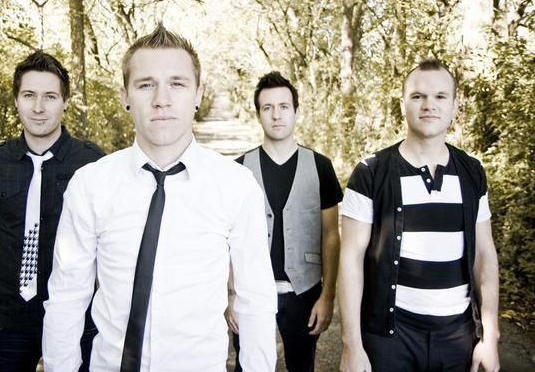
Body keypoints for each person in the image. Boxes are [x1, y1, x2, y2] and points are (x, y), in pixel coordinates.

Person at [42, 24, 277, 372]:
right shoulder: (90, 185)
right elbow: (66, 298)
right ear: (124, 96)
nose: (161, 99)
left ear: (198, 95)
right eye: (145, 84)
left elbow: (256, 299)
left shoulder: (237, 186)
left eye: (177, 84)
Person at [338, 59, 500, 372]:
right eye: (417, 96)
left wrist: (490, 337)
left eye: (440, 96)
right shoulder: (370, 172)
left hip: (458, 340)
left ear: (455, 106)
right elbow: (351, 259)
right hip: (389, 341)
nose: (429, 105)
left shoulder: (472, 172)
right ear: (403, 105)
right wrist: (352, 345)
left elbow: (484, 255)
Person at [0, 50, 104, 371]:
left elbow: (115, 242)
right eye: (29, 95)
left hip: (78, 316)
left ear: (65, 102)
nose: (39, 107)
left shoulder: (93, 162)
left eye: (50, 96)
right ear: (16, 100)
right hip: (10, 317)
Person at [228, 71, 343, 372]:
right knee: (248, 367)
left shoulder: (320, 166)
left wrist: (327, 296)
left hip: (304, 293)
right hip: (251, 294)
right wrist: (230, 296)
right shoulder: (239, 169)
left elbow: (331, 235)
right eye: (268, 108)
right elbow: (228, 239)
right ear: (258, 114)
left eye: (283, 106)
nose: (276, 115)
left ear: (295, 111)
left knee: (302, 367)